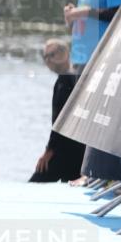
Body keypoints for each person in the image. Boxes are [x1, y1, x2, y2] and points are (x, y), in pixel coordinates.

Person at [63, 0, 121, 184]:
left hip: (99, 57)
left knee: (94, 114)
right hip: (83, 57)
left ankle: (93, 175)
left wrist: (84, 13)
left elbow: (118, 13)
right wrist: (73, 14)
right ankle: (89, 174)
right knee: (86, 115)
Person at [29, 39, 85, 183]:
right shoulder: (71, 76)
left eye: (52, 55)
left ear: (65, 54)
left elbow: (61, 119)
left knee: (34, 184)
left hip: (67, 150)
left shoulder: (66, 80)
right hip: (74, 148)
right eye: (45, 57)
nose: (48, 60)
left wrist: (49, 150)